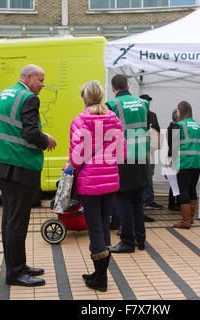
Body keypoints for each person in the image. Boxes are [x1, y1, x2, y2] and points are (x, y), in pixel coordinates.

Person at [0, 64, 57, 287]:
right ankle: (15, 273)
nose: (43, 85)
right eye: (41, 79)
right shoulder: (28, 98)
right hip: (19, 165)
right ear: (29, 77)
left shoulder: (3, 94)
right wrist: (47, 140)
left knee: (10, 219)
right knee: (17, 221)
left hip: (3, 162)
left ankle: (18, 265)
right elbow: (30, 133)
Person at [69, 80, 126, 292]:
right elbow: (122, 153)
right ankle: (98, 272)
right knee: (103, 225)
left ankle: (100, 279)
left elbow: (76, 158)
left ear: (84, 97)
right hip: (110, 181)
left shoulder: (80, 120)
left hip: (90, 182)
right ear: (101, 96)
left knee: (95, 228)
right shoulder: (113, 119)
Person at [107, 74, 149, 253]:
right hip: (141, 158)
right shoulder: (143, 103)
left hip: (122, 159)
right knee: (137, 200)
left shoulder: (112, 105)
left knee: (122, 200)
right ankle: (141, 239)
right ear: (128, 86)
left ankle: (127, 241)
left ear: (113, 88)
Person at [170, 101, 200, 229]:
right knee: (192, 189)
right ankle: (191, 218)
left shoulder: (178, 126)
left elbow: (174, 146)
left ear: (180, 111)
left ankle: (185, 221)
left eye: (177, 110)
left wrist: (172, 160)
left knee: (183, 189)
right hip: (198, 161)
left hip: (184, 161)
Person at [140, 94, 164, 217]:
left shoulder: (152, 115)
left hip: (151, 149)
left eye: (149, 102)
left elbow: (158, 130)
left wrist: (153, 131)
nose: (148, 104)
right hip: (139, 150)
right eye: (146, 102)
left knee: (149, 175)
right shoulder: (137, 115)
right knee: (144, 175)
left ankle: (148, 199)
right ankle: (146, 200)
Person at [167, 108, 181, 211]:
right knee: (175, 182)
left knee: (174, 182)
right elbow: (175, 145)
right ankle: (174, 204)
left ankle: (173, 203)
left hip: (171, 156)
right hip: (174, 156)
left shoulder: (170, 127)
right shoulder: (175, 128)